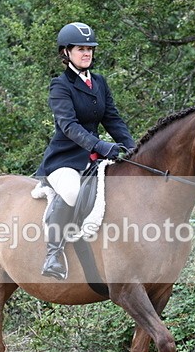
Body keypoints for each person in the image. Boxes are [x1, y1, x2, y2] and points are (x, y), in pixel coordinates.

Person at [36, 22, 136, 280]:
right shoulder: (60, 85)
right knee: (71, 192)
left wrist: (133, 149)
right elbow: (68, 126)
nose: (87, 53)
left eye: (90, 49)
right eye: (81, 49)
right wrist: (100, 145)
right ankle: (53, 254)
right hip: (65, 159)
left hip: (94, 158)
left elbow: (112, 119)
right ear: (66, 52)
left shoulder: (99, 82)